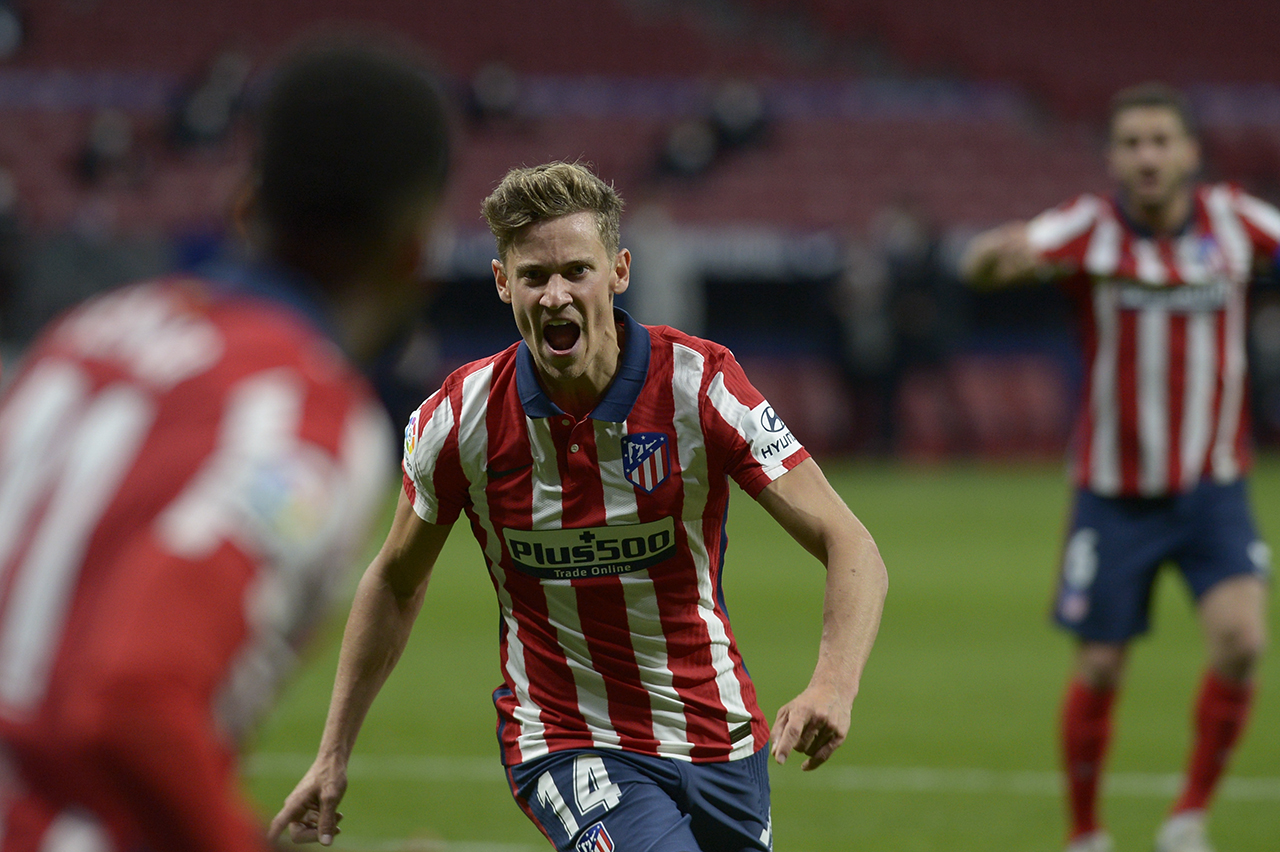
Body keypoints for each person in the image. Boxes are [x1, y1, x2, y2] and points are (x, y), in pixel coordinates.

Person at [270, 161, 889, 852]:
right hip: (565, 738)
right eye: (534, 277)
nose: (556, 295)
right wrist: (333, 752)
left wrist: (834, 686)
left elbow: (850, 541)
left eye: (577, 271)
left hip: (718, 734)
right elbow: (394, 578)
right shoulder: (459, 420)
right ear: (504, 284)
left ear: (619, 271)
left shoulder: (701, 386)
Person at [0, 36, 451, 852]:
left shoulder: (84, 338)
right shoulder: (299, 420)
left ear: (245, 205)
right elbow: (134, 700)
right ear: (417, 251)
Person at [961, 83, 1277, 852]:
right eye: (1132, 142)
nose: (1147, 156)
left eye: (1161, 141)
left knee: (1241, 640)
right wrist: (992, 259)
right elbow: (981, 267)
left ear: (1190, 154)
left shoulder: (1238, 221)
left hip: (1214, 487)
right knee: (1100, 666)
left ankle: (1189, 815)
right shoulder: (1089, 226)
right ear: (1113, 157)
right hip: (1115, 494)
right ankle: (1086, 833)